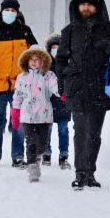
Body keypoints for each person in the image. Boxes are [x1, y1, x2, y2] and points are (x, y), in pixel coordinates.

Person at [55, 0, 110, 190]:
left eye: (89, 4)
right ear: (77, 6)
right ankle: (80, 173)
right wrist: (62, 83)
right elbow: (61, 59)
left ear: (97, 6)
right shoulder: (69, 31)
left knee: (94, 132)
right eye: (82, 4)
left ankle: (90, 173)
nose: (85, 7)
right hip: (76, 86)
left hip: (99, 87)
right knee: (80, 130)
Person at [0, 0, 37, 167]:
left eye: (13, 11)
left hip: (20, 85)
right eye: (7, 10)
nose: (10, 13)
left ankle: (18, 156)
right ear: (2, 11)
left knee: (18, 123)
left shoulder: (25, 31)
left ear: (17, 12)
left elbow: (35, 55)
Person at [10, 49, 59, 182]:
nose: (34, 62)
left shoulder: (49, 76)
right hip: (27, 116)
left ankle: (37, 158)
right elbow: (18, 95)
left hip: (44, 115)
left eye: (37, 60)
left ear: (43, 61)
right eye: (31, 60)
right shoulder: (22, 77)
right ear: (27, 61)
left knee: (42, 144)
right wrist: (15, 111)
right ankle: (32, 167)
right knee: (30, 142)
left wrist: (64, 93)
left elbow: (55, 87)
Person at [44, 34, 71, 169]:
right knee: (46, 130)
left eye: (58, 47)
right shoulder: (45, 65)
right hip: (47, 104)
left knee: (63, 130)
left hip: (64, 103)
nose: (56, 50)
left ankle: (64, 156)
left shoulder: (68, 64)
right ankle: (46, 154)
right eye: (53, 47)